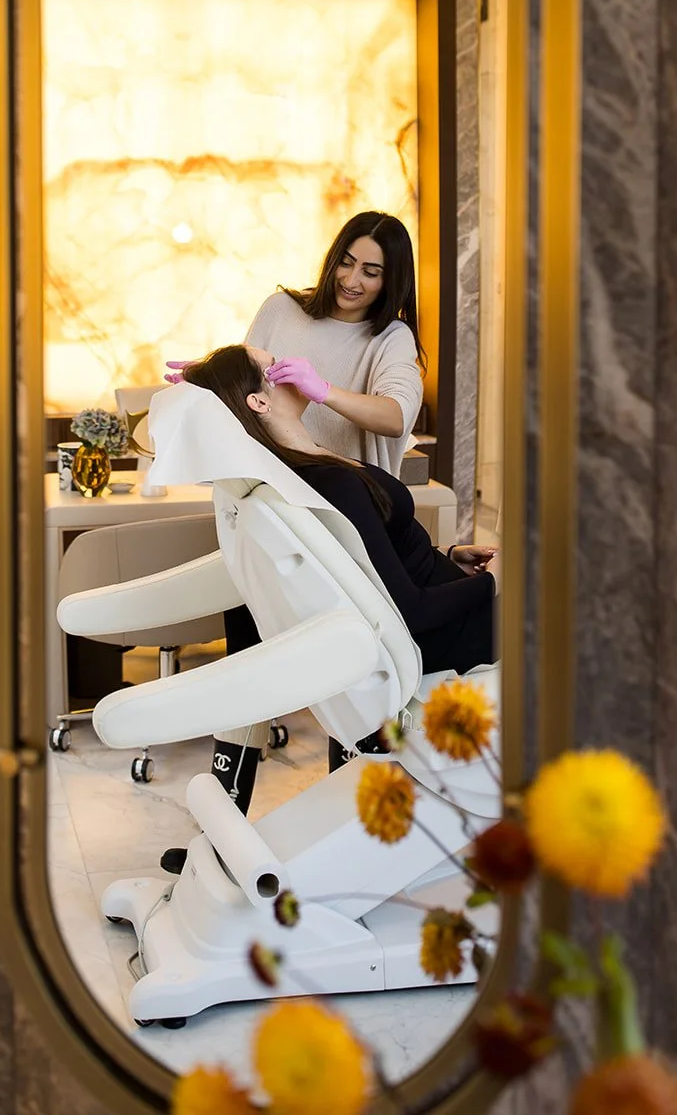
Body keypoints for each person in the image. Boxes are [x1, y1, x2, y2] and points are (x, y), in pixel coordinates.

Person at [160, 345, 495, 840]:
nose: (295, 364)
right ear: (258, 402)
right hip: (449, 632)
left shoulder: (300, 473)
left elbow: (374, 567)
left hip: (446, 599)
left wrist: (447, 556)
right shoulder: (326, 483)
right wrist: (493, 583)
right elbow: (408, 612)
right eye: (274, 362)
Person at [166, 211, 425, 477]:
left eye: (370, 272)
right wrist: (212, 379)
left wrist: (324, 391)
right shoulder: (280, 309)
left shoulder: (392, 337)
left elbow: (397, 419)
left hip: (351, 493)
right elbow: (245, 399)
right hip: (273, 486)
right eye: (345, 263)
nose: (350, 281)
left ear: (390, 281)